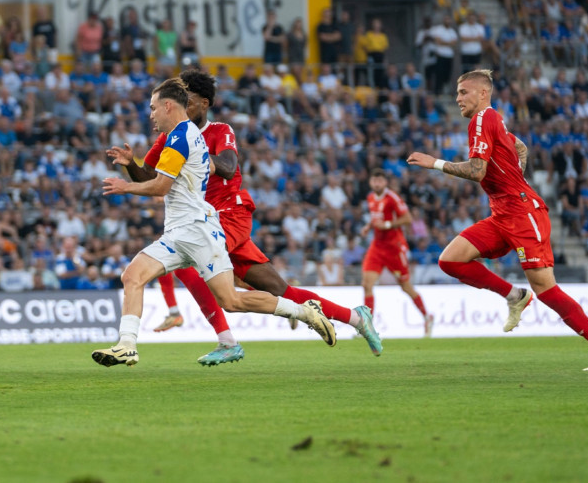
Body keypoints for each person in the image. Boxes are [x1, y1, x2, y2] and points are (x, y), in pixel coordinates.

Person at [110, 69, 383, 361]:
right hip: (207, 220)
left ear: (204, 103)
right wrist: (130, 165)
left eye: (187, 102)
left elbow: (228, 166)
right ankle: (356, 317)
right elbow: (149, 176)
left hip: (228, 213)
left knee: (188, 263)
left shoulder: (218, 131)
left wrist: (193, 158)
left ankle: (226, 340)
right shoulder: (170, 137)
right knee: (279, 288)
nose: (182, 107)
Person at [408, 69, 588, 371]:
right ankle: (514, 295)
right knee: (451, 260)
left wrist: (435, 163)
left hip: (521, 213)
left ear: (482, 93)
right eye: (457, 93)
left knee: (546, 289)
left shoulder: (482, 119)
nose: (457, 98)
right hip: (503, 213)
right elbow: (519, 147)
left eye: (463, 92)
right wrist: (515, 176)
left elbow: (477, 171)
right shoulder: (494, 121)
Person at [361, 168, 433, 336]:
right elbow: (376, 218)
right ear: (371, 182)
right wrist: (369, 226)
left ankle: (427, 317)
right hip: (377, 247)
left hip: (394, 247)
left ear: (385, 182)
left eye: (380, 180)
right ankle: (367, 327)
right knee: (366, 284)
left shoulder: (392, 198)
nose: (377, 183)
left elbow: (407, 218)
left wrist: (386, 225)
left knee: (406, 287)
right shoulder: (370, 197)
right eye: (374, 180)